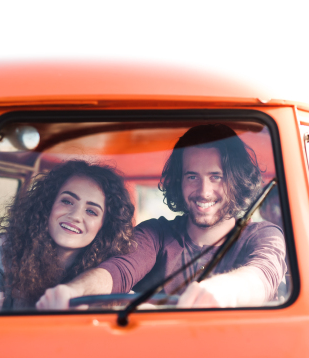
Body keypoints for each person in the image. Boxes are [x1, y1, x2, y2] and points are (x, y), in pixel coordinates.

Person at [36, 124, 287, 310]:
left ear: (236, 181)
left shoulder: (264, 236)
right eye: (192, 177)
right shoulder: (155, 234)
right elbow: (117, 272)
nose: (203, 191)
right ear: (180, 181)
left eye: (216, 177)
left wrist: (223, 291)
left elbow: (262, 274)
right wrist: (74, 291)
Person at [0, 160, 135, 311]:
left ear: (105, 225)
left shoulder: (111, 270)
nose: (75, 216)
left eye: (91, 211)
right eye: (67, 201)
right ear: (48, 204)